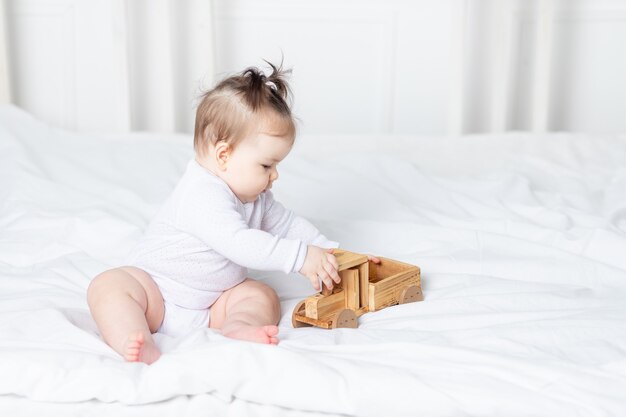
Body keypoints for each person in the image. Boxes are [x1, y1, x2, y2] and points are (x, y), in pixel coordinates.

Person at [87, 62, 343, 364]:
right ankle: (131, 335)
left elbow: (287, 225)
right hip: (158, 294)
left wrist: (330, 254)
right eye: (266, 165)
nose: (274, 176)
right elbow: (240, 243)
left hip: (214, 304)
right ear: (224, 155)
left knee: (262, 295)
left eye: (276, 166)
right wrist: (301, 257)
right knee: (108, 286)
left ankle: (239, 325)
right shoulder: (201, 193)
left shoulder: (255, 195)